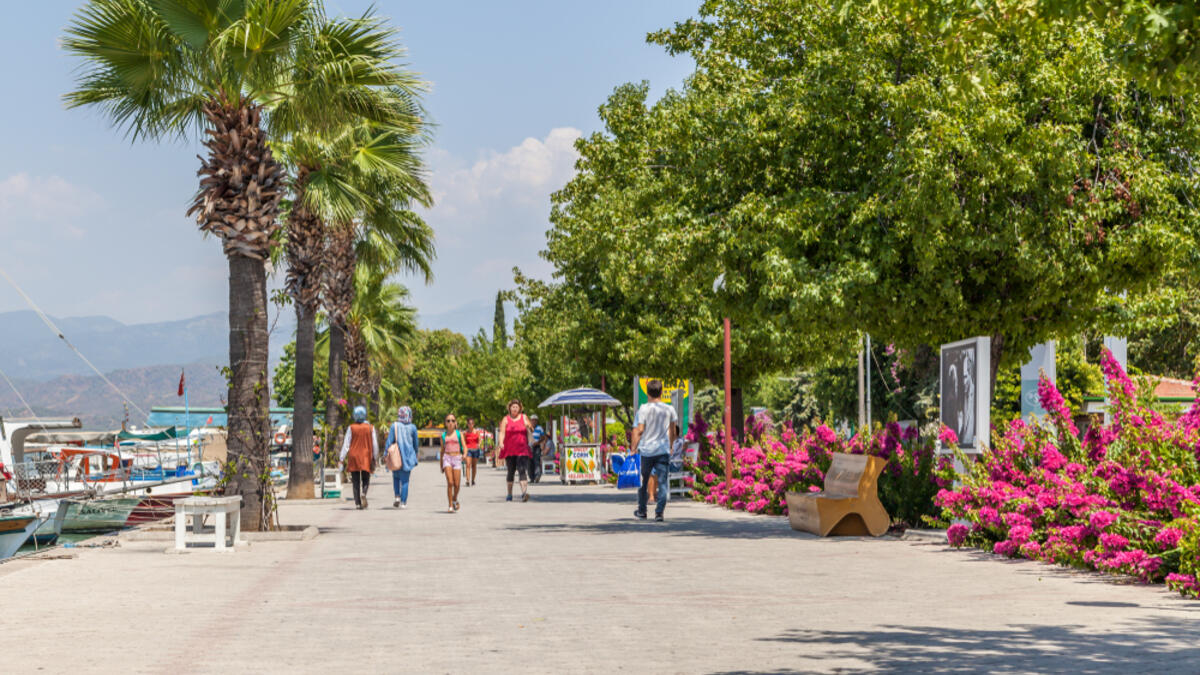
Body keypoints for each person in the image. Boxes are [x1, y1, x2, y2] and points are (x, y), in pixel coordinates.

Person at [631, 380, 678, 522]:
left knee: (643, 482)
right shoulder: (669, 409)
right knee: (663, 482)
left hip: (646, 451)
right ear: (662, 392)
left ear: (647, 392)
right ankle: (659, 513)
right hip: (662, 450)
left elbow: (639, 430)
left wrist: (633, 448)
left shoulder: (643, 409)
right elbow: (673, 430)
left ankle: (642, 511)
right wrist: (670, 445)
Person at [339, 406, 379, 510]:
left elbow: (346, 444)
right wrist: (375, 456)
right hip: (366, 455)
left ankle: (357, 503)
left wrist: (341, 458)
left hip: (354, 456)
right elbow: (374, 444)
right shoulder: (370, 427)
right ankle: (364, 492)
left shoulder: (351, 427)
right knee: (366, 478)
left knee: (355, 481)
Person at [497, 399, 533, 502]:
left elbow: (531, 429)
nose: (515, 408)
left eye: (517, 407)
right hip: (510, 449)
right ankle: (509, 493)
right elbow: (502, 432)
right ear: (510, 408)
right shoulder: (506, 419)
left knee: (522, 470)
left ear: (520, 408)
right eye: (513, 407)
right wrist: (501, 442)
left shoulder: (524, 417)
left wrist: (529, 426)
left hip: (522, 449)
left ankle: (524, 493)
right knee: (511, 471)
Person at [384, 405, 419, 508]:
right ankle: (403, 502)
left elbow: (389, 441)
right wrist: (416, 453)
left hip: (396, 457)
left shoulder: (394, 426)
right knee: (405, 480)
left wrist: (385, 454)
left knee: (396, 477)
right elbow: (416, 443)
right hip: (408, 457)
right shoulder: (413, 427)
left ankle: (397, 497)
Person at [439, 414, 466, 512]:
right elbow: (442, 450)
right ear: (445, 423)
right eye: (448, 421)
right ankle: (450, 505)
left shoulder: (459, 434)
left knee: (457, 484)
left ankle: (455, 499)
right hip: (447, 458)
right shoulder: (443, 435)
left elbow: (464, 446)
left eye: (452, 420)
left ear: (455, 423)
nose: (450, 423)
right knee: (450, 482)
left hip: (457, 458)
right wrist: (441, 464)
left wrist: (465, 454)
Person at [463, 418, 482, 487]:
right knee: (468, 465)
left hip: (476, 450)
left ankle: (473, 480)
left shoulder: (477, 432)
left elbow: (480, 439)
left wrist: (479, 444)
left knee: (474, 466)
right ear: (467, 424)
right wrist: (464, 450)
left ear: (473, 424)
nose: (470, 425)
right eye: (469, 423)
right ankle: (467, 480)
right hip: (468, 450)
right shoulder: (465, 432)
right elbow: (463, 442)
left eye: (472, 423)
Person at [530, 414, 545, 483]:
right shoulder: (528, 428)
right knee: (529, 463)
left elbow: (543, 437)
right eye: (532, 420)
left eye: (535, 420)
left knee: (537, 461)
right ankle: (531, 477)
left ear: (537, 421)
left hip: (536, 447)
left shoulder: (539, 428)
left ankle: (537, 476)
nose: (533, 422)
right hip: (529, 447)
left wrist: (538, 442)